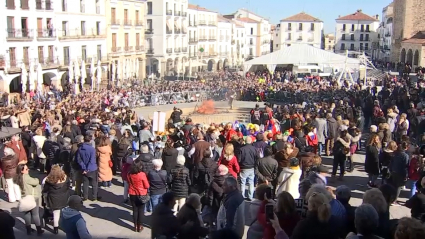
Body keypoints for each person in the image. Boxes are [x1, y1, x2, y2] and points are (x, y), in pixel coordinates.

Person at [15, 164, 44, 235]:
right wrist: (36, 179)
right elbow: (36, 182)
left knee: (27, 214)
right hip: (32, 197)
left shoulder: (17, 178)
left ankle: (28, 230)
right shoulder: (26, 177)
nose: (28, 170)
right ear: (22, 171)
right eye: (26, 169)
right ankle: (39, 230)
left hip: (24, 198)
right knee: (35, 214)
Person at [42, 165, 70, 234]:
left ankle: (55, 228)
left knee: (56, 213)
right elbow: (68, 187)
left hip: (54, 199)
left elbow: (45, 190)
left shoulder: (48, 180)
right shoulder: (65, 178)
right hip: (64, 198)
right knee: (64, 213)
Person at [127, 158, 150, 232]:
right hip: (141, 193)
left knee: (135, 210)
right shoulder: (142, 174)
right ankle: (140, 226)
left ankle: (135, 226)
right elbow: (146, 185)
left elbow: (128, 182)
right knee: (141, 211)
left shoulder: (129, 174)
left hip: (132, 193)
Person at [76, 135, 99, 201]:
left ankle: (85, 196)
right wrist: (87, 169)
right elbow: (92, 160)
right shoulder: (92, 149)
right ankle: (94, 197)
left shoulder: (80, 149)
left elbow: (79, 160)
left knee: (85, 183)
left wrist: (84, 168)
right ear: (90, 140)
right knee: (94, 183)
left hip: (83, 169)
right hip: (92, 169)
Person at [238, 136, 258, 201]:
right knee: (251, 182)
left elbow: (239, 159)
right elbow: (257, 158)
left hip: (244, 167)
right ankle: (250, 196)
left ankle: (242, 196)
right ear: (251, 141)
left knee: (242, 182)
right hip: (251, 167)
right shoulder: (254, 149)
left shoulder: (241, 149)